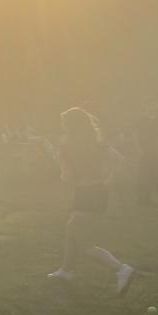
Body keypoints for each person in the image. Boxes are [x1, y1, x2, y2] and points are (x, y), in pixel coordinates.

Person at [47, 107, 135, 294]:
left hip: (85, 195)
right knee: (71, 229)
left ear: (70, 127)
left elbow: (67, 178)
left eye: (64, 124)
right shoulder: (98, 144)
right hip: (100, 193)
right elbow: (121, 160)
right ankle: (66, 270)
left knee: (85, 245)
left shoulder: (66, 148)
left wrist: (59, 162)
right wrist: (108, 182)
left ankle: (121, 269)